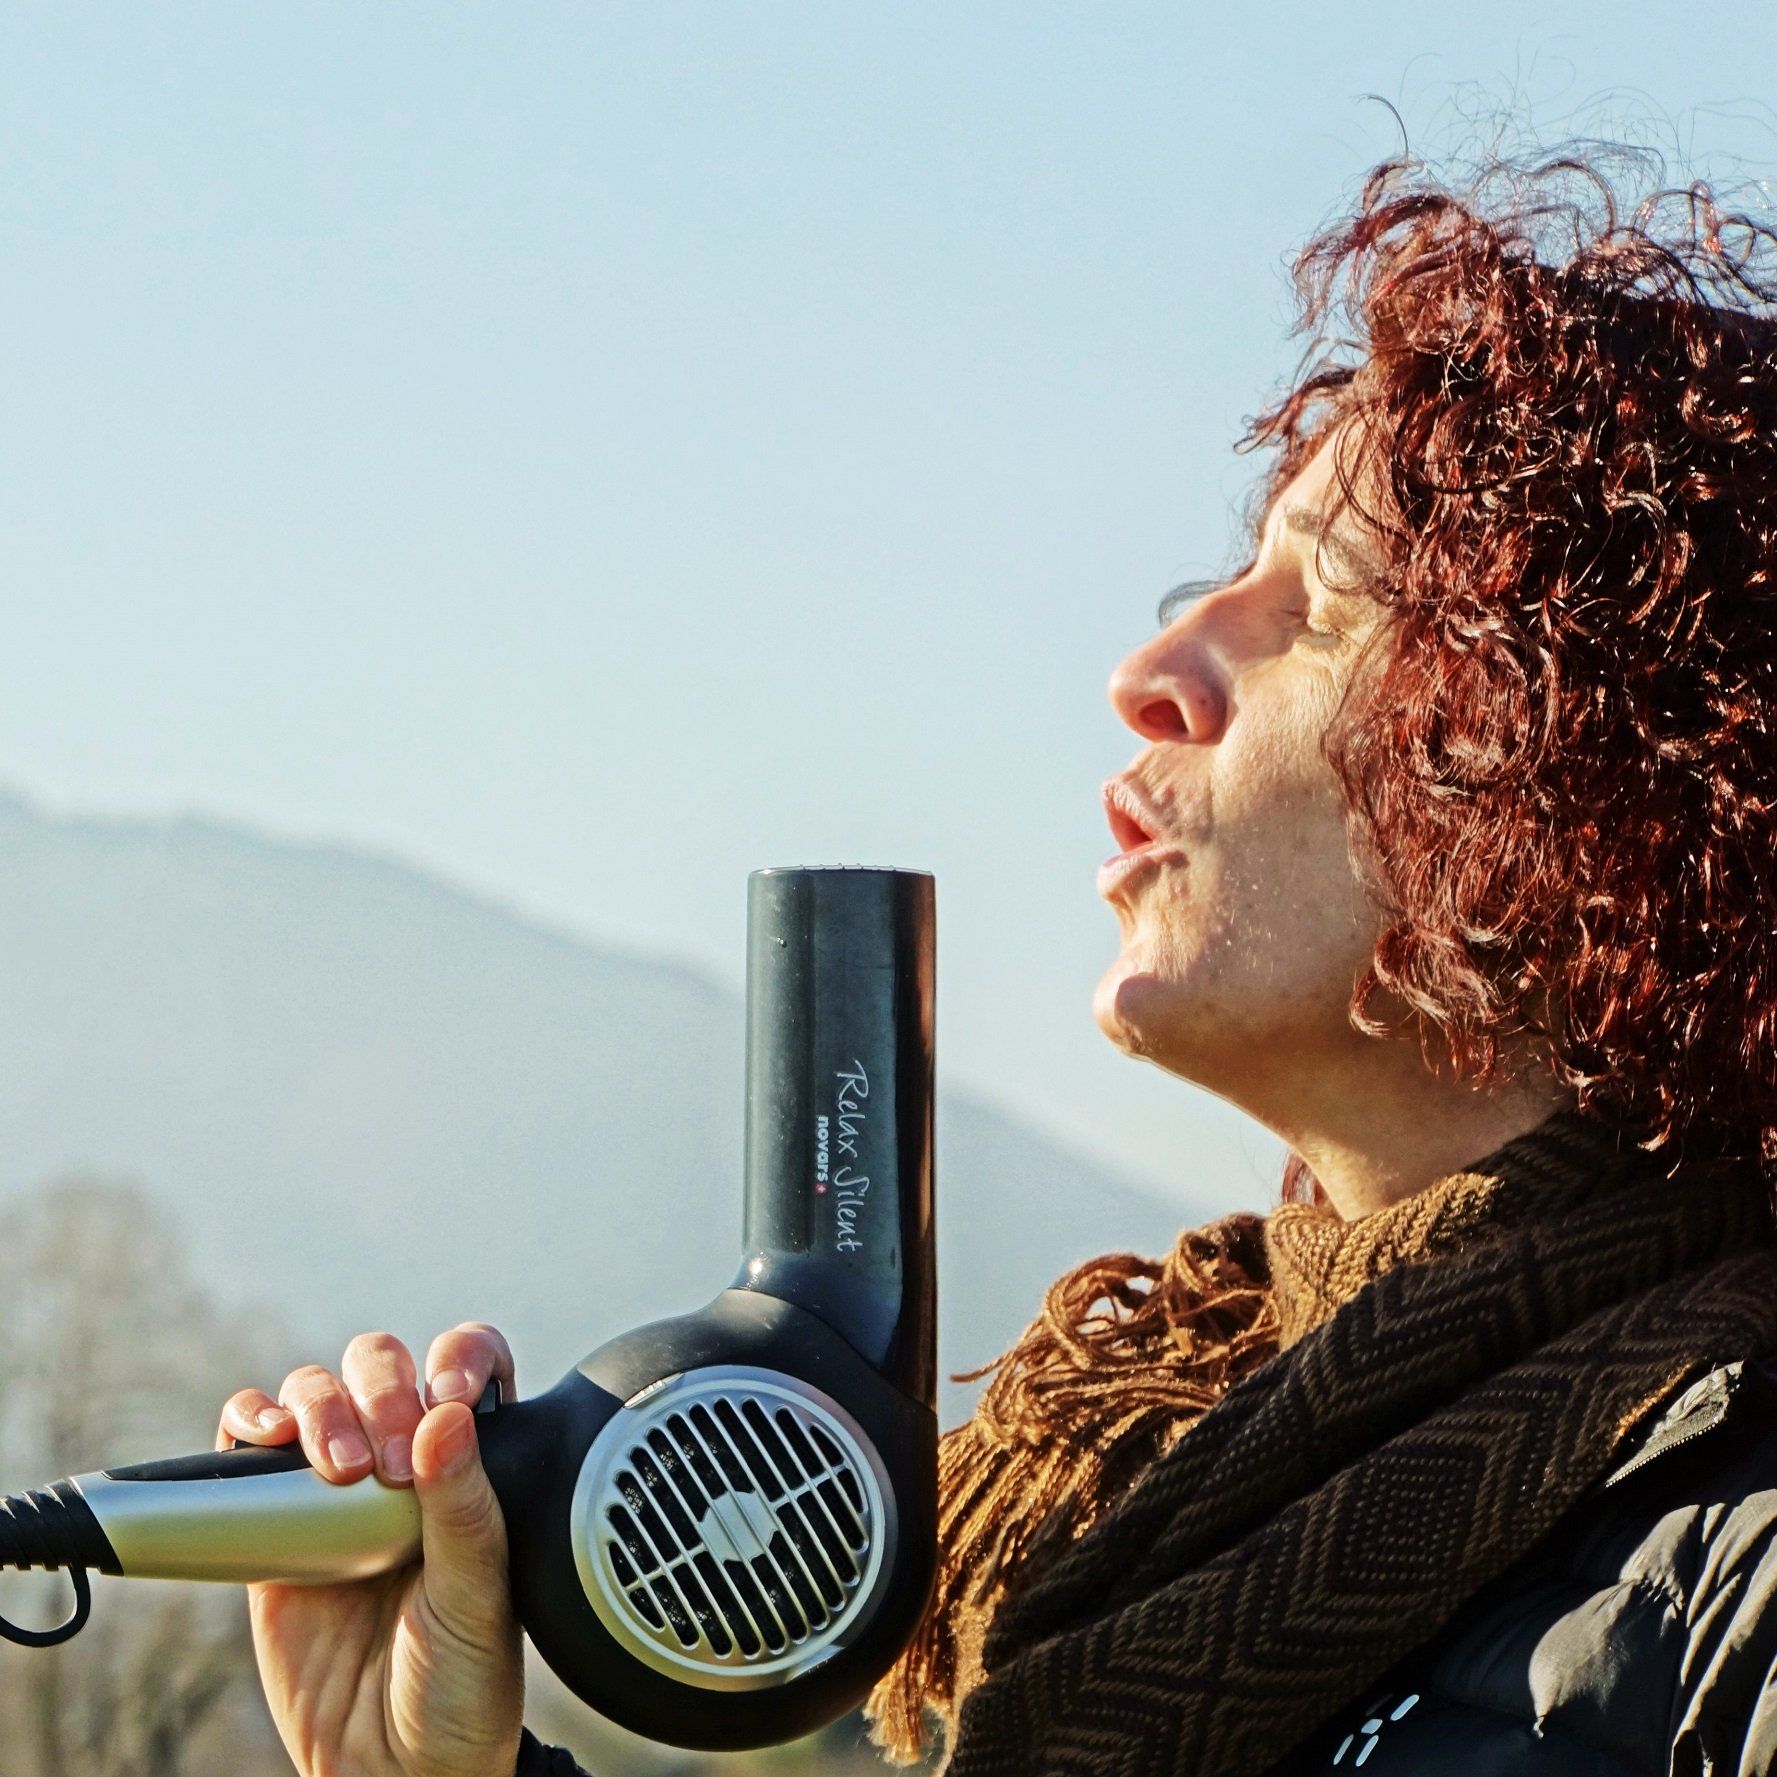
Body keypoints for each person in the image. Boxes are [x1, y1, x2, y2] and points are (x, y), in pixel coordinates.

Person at [220, 141, 1777, 1776]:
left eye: (1319, 606)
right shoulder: (1128, 1487)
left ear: (1597, 775)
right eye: (1211, 585)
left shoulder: (1727, 1586)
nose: (1150, 668)